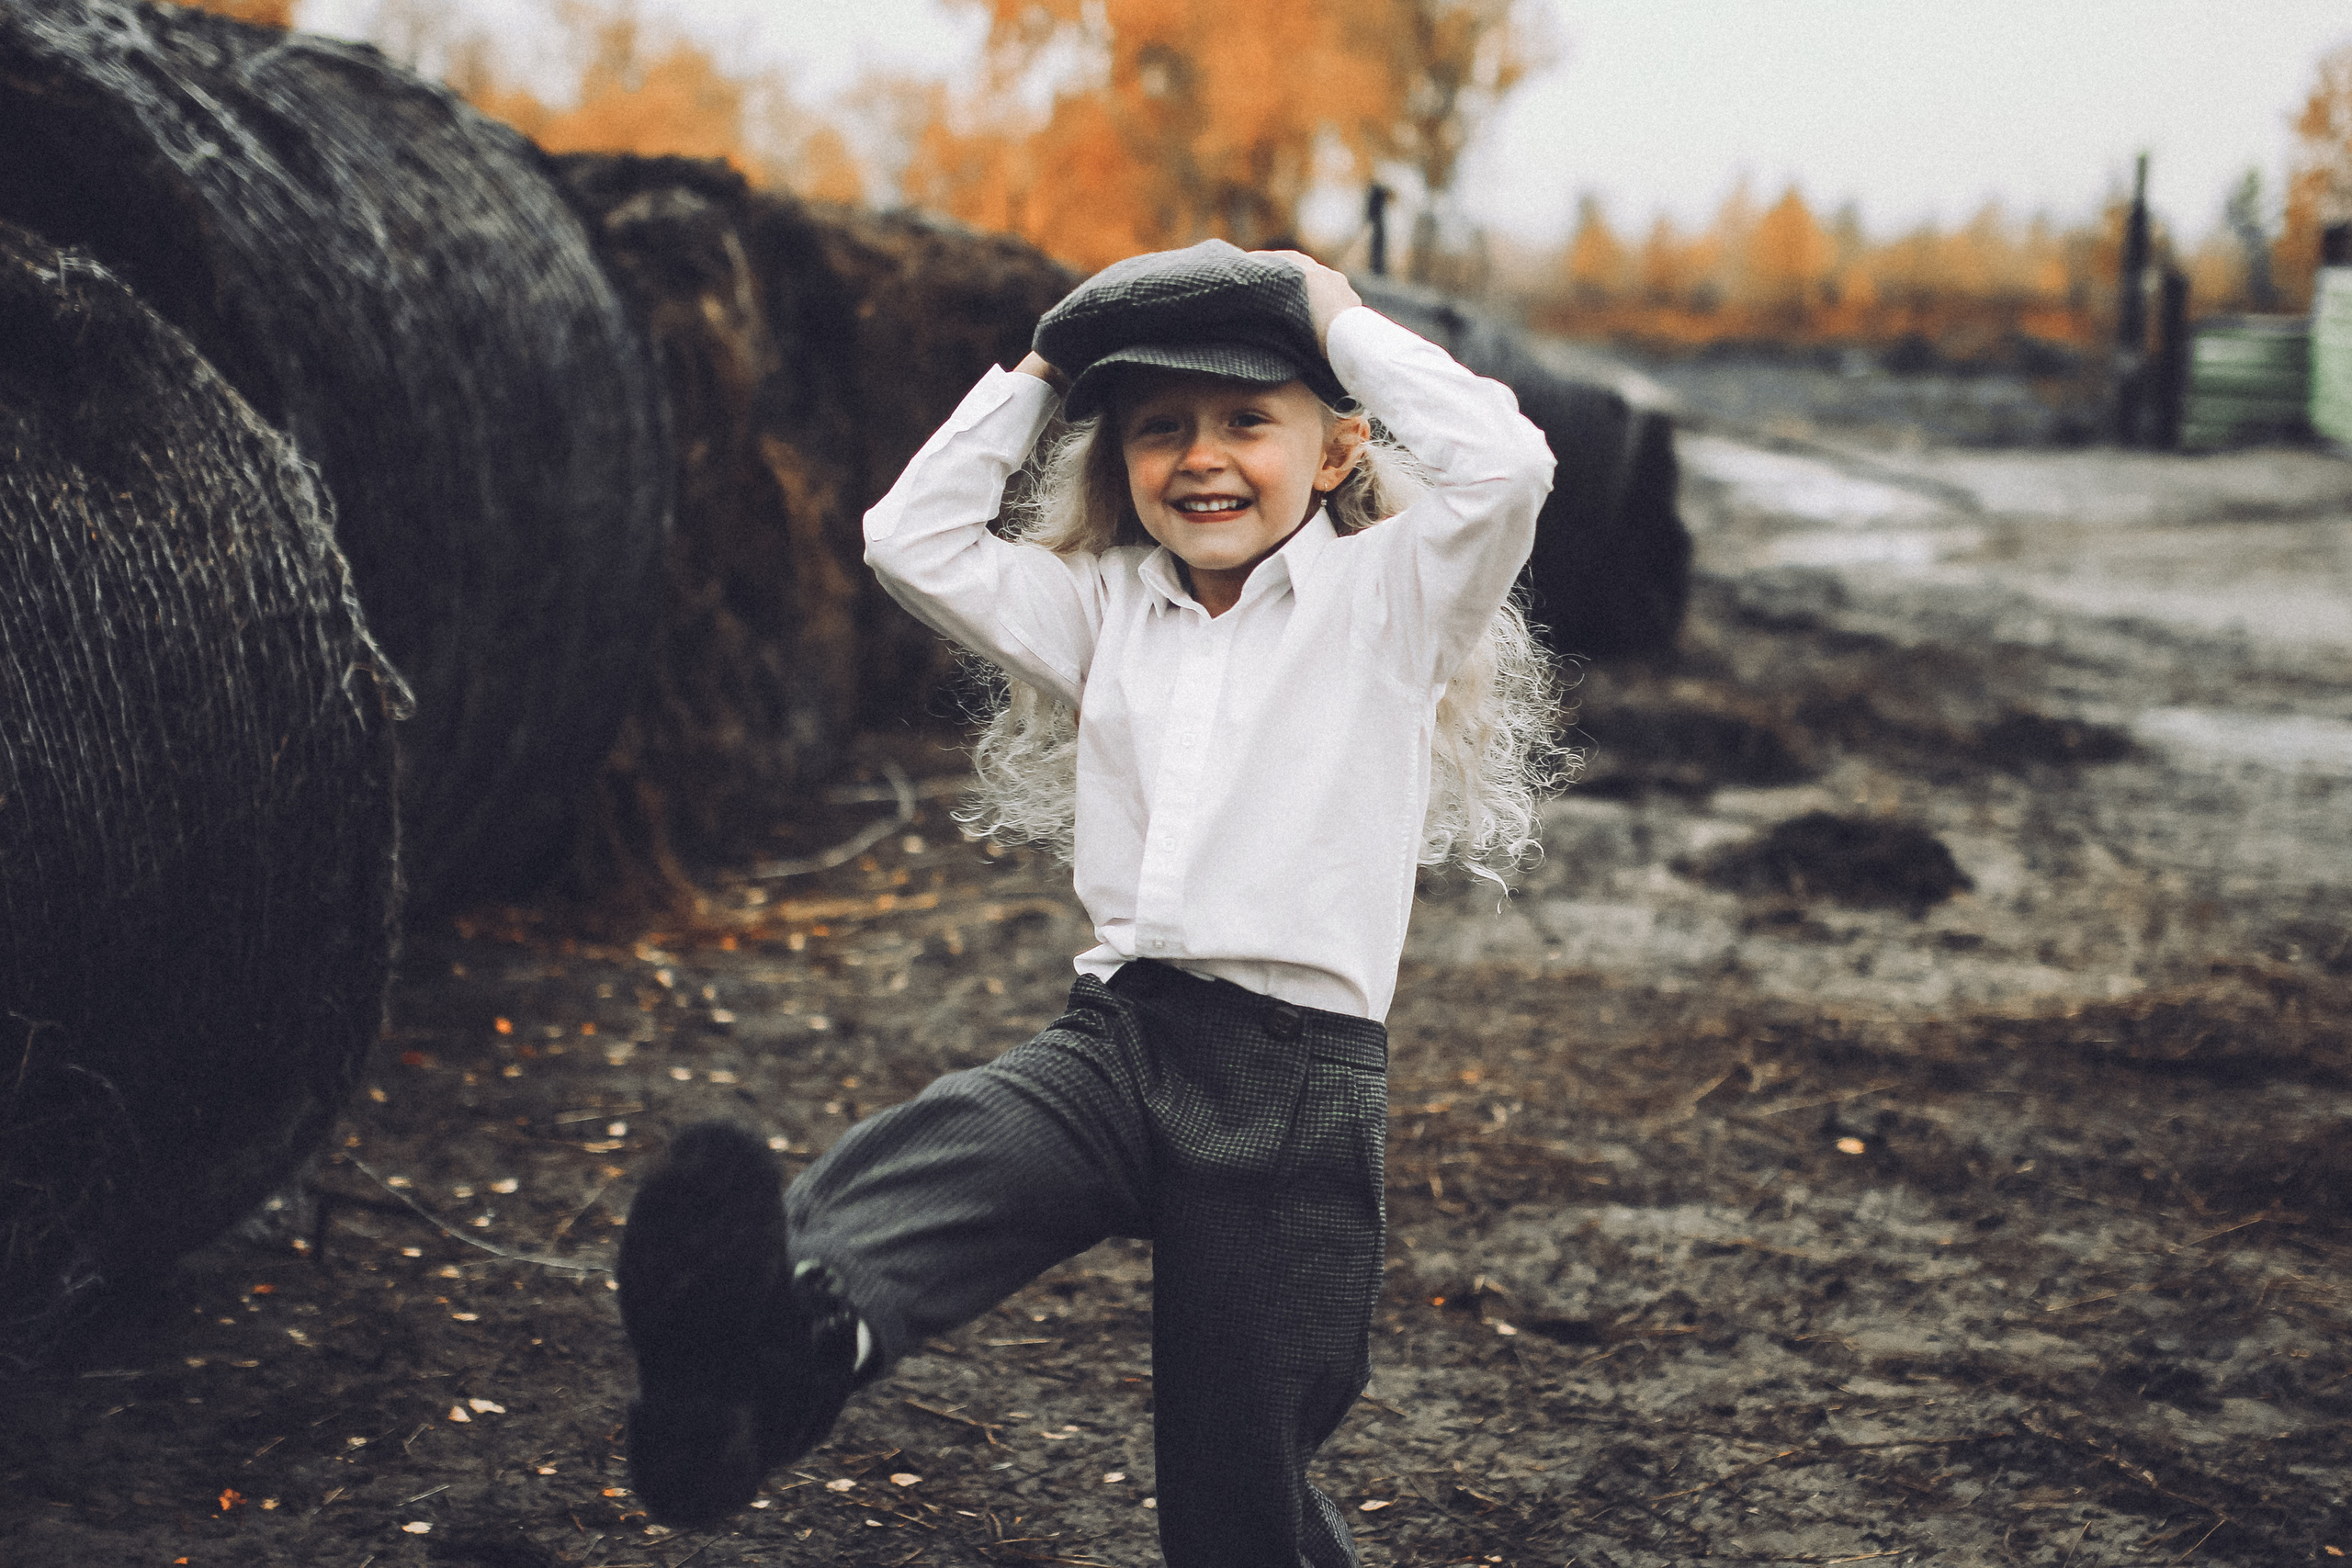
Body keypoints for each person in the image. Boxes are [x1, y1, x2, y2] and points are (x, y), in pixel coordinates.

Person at [615, 238, 1566, 1566]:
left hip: (1289, 1092)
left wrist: (1335, 317)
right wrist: (1046, 364)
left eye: (1249, 422)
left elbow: (1511, 465)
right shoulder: (1104, 609)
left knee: (1237, 1507)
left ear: (1337, 452)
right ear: (1116, 461)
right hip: (1115, 1040)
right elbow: (909, 538)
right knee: (937, 1164)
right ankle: (770, 1363)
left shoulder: (1392, 601)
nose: (1202, 458)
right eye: (1158, 430)